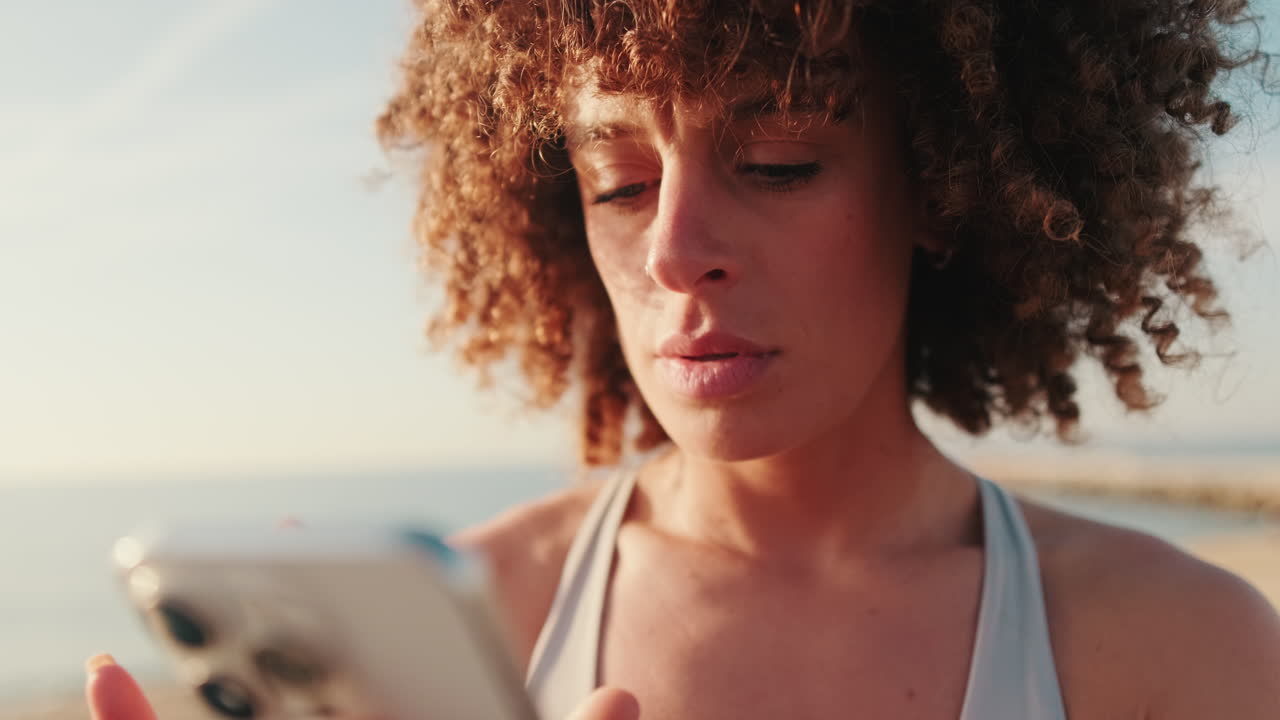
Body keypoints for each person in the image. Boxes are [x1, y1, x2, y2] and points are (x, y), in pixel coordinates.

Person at [88, 0, 1280, 717]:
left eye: (774, 162)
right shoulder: (476, 628)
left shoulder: (1181, 653)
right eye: (619, 183)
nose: (673, 253)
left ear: (941, 178)